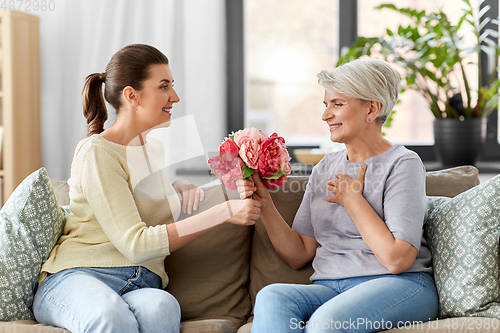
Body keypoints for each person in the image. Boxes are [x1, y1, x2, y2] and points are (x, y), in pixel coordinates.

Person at [33, 44, 261, 333]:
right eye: (164, 86)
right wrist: (223, 212)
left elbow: (136, 204)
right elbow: (136, 243)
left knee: (163, 307)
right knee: (110, 317)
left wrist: (175, 190)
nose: (174, 97)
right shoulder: (97, 152)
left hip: (140, 282)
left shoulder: (152, 149)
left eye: (172, 86)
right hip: (79, 276)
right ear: (132, 96)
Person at [237, 58, 438, 333]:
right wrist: (264, 201)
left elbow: (397, 259)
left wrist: (354, 201)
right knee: (272, 297)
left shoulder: (403, 163)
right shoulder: (325, 167)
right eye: (326, 104)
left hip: (401, 285)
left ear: (371, 108)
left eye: (337, 104)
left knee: (325, 324)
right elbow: (299, 254)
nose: (325, 115)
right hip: (331, 288)